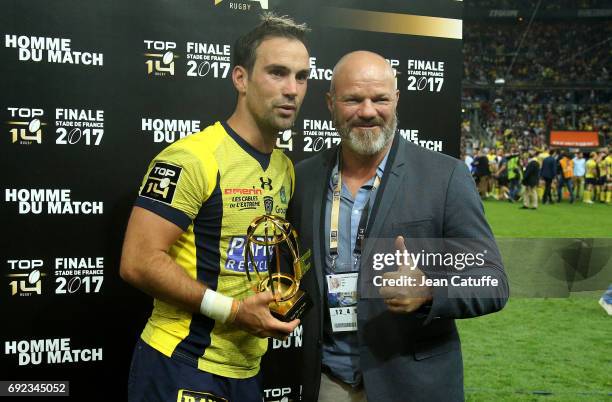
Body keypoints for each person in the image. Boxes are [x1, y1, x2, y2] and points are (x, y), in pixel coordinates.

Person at [288, 51, 508, 402]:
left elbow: (492, 280)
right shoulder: (304, 178)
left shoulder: (445, 176)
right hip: (326, 383)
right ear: (330, 103)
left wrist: (429, 292)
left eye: (380, 99)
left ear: (397, 100)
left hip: (413, 385)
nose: (368, 111)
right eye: (353, 99)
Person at [119, 14, 310, 402]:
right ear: (240, 78)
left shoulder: (284, 167)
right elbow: (138, 261)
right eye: (277, 73)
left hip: (247, 368)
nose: (292, 89)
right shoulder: (192, 158)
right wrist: (234, 311)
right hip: (183, 361)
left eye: (302, 76)